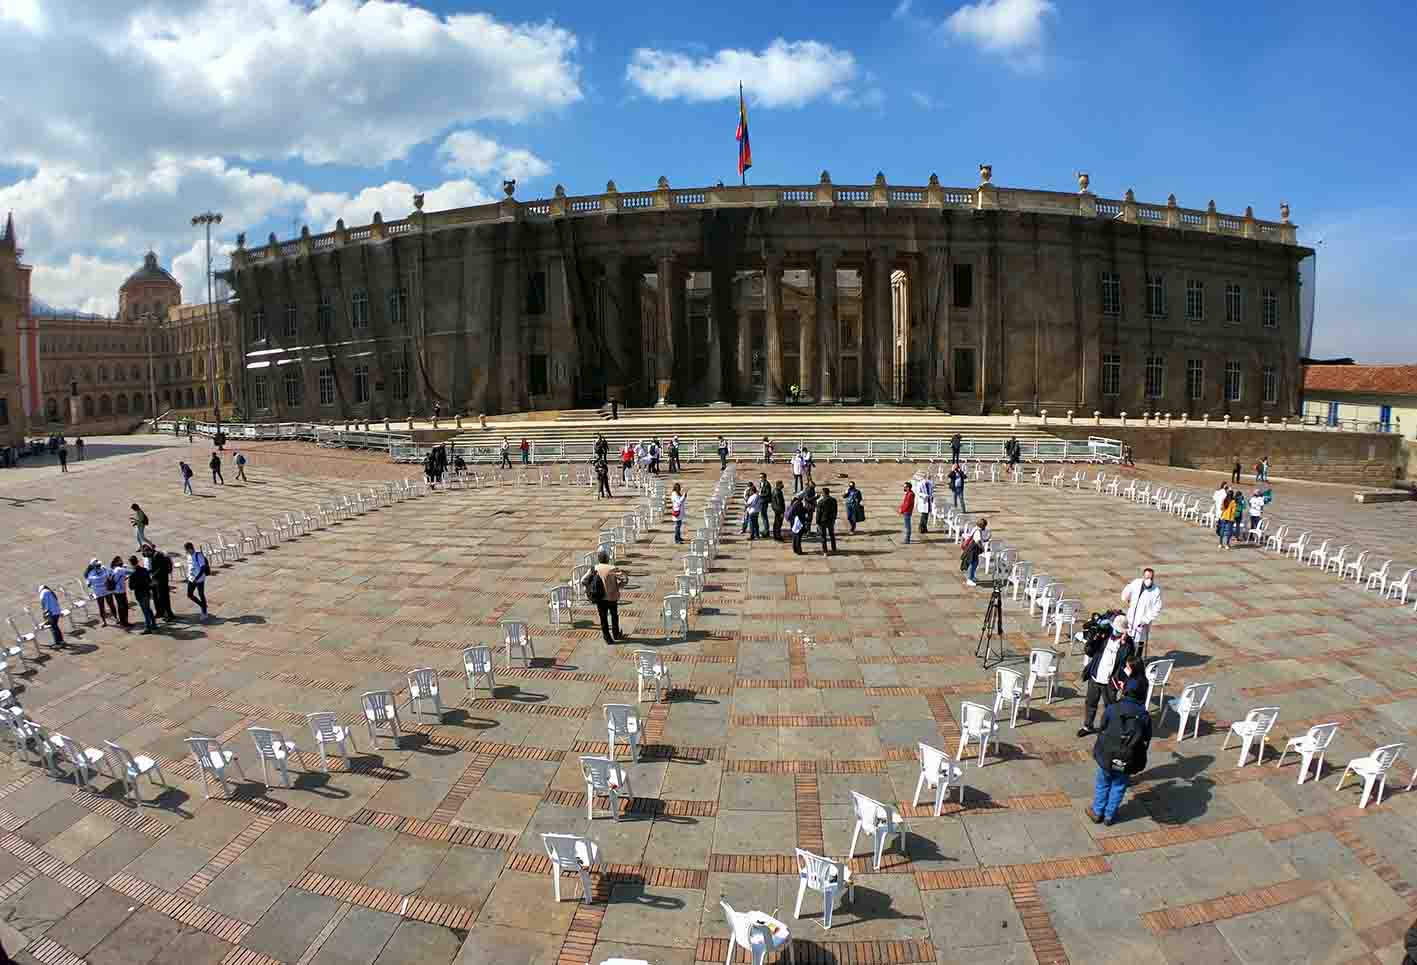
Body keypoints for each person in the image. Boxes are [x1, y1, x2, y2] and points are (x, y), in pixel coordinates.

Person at [1088, 671, 1152, 826]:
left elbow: (1103, 726)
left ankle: (1097, 811)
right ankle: (1110, 815)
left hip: (1108, 753)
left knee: (1103, 782)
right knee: (1119, 785)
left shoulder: (1113, 708)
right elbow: (1146, 737)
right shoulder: (1144, 715)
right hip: (1128, 757)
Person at [1078, 613, 1135, 737]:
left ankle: (1108, 728)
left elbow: (1128, 663)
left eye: (1119, 631)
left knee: (1110, 706)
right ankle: (1088, 725)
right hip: (1095, 676)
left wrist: (1124, 643)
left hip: (1110, 681)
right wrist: (1093, 638)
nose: (1116, 632)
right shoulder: (1104, 635)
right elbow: (1090, 652)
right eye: (1115, 630)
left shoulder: (1128, 645)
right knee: (1090, 702)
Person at [586, 549, 627, 644]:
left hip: (599, 598)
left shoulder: (594, 568)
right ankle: (616, 634)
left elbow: (584, 580)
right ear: (607, 559)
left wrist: (590, 589)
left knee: (603, 618)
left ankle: (607, 638)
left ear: (599, 559)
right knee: (614, 616)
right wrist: (618, 586)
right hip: (611, 596)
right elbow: (625, 579)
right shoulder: (612, 568)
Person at [1120, 568, 1162, 656]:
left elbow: (1157, 608)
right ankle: (1125, 659)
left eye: (1151, 578)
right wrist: (1127, 597)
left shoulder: (1156, 590)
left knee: (1140, 643)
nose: (1149, 580)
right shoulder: (1136, 583)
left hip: (1143, 621)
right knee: (1127, 640)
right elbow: (1126, 594)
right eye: (1147, 577)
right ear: (1143, 577)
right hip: (1131, 617)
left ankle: (1137, 660)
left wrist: (1146, 619)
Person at [128, 555, 157, 634]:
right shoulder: (144, 570)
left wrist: (136, 584)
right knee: (148, 609)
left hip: (140, 594)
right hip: (146, 592)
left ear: (131, 563)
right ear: (137, 561)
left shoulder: (132, 574)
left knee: (145, 611)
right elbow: (149, 581)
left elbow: (131, 587)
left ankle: (148, 628)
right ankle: (154, 624)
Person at [184, 541, 210, 621]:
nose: (186, 552)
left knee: (201, 594)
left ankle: (204, 612)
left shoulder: (199, 555)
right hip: (191, 579)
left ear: (190, 549)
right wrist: (189, 576)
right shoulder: (188, 556)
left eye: (187, 550)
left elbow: (203, 568)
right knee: (189, 594)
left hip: (199, 579)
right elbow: (190, 566)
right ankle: (203, 605)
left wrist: (197, 578)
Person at [148, 546, 175, 621]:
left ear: (149, 551)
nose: (145, 554)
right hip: (163, 579)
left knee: (163, 598)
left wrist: (153, 575)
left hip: (161, 580)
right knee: (164, 597)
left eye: (145, 552)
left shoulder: (156, 556)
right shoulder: (157, 555)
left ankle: (168, 615)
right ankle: (169, 614)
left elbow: (160, 568)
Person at [84, 559, 114, 627]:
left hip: (105, 591)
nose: (99, 565)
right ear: (94, 566)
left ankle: (115, 618)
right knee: (102, 607)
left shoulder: (103, 568)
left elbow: (110, 574)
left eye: (99, 564)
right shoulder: (91, 573)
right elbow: (88, 584)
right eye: (98, 565)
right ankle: (105, 622)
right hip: (100, 592)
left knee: (110, 605)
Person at [961, 517, 990, 586]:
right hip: (973, 549)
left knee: (975, 563)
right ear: (983, 526)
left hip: (973, 549)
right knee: (973, 564)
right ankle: (969, 579)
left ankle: (972, 577)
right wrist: (982, 548)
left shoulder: (976, 528)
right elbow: (978, 541)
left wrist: (985, 539)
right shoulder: (977, 531)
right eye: (985, 526)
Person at [109, 555, 131, 629]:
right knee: (123, 607)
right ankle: (125, 622)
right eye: (121, 560)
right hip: (121, 591)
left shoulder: (113, 569)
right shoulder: (120, 569)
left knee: (120, 606)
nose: (122, 561)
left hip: (115, 591)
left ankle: (123, 622)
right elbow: (131, 572)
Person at [816, 487, 839, 555]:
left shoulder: (820, 502)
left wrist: (817, 522)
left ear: (823, 493)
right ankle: (834, 548)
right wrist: (834, 518)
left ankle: (825, 551)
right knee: (832, 535)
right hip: (831, 520)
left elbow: (818, 513)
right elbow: (835, 510)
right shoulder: (833, 500)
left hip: (823, 521)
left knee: (823, 536)